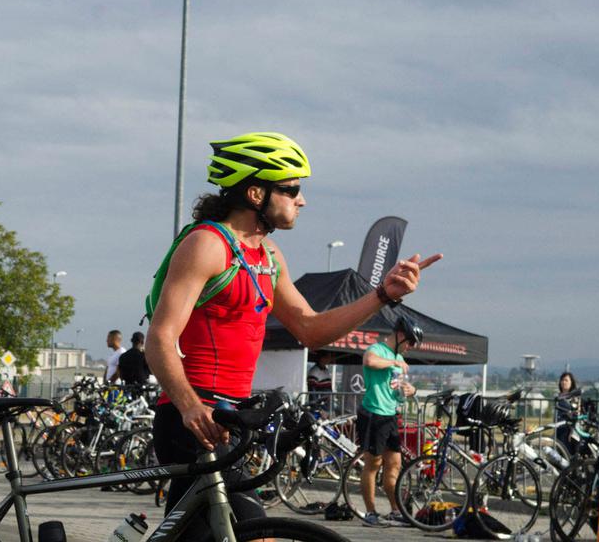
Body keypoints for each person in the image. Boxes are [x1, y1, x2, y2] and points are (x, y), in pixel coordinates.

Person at [145, 131, 441, 539]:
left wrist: (381, 295)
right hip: (192, 420)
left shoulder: (267, 255)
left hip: (229, 419)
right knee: (252, 533)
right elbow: (159, 338)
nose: (301, 200)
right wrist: (190, 406)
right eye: (292, 189)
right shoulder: (207, 245)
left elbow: (310, 329)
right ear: (255, 193)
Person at [357, 316, 420, 527]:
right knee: (373, 463)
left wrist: (409, 391)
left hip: (391, 414)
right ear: (401, 335)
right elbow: (369, 361)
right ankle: (371, 512)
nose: (411, 347)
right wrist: (394, 362)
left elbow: (396, 388)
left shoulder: (398, 357)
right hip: (373, 413)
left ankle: (395, 510)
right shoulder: (379, 350)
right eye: (410, 342)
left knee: (394, 465)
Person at [554, 371, 580, 453]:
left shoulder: (574, 398)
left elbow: (577, 414)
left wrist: (573, 431)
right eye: (562, 380)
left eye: (566, 380)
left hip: (568, 429)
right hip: (558, 427)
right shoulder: (558, 397)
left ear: (571, 383)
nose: (563, 382)